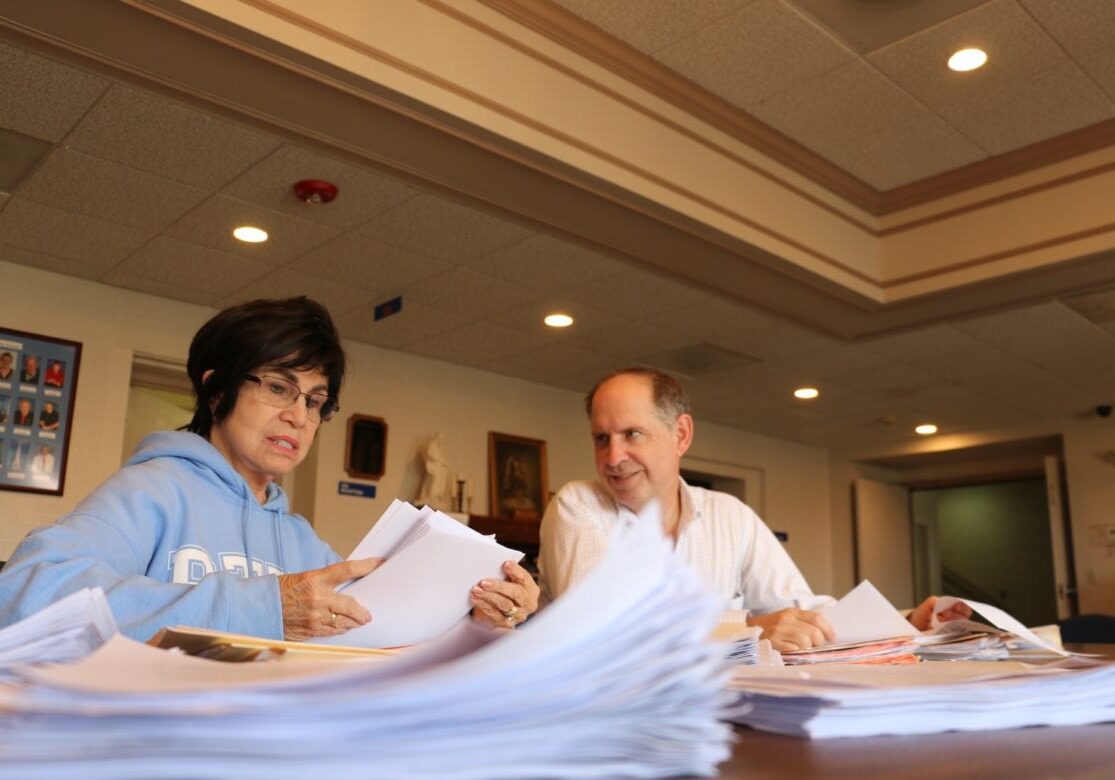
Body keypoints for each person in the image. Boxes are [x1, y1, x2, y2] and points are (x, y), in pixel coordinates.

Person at [0, 297, 538, 641]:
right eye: (279, 387)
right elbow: (24, 594)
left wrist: (484, 615)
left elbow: (380, 632)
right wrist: (255, 606)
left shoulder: (300, 540)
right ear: (217, 389)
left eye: (314, 401)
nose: (298, 416)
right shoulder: (153, 490)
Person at [538, 367, 965, 652]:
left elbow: (800, 608)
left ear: (680, 434)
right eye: (601, 438)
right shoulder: (578, 505)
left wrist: (906, 620)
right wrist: (750, 628)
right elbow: (599, 628)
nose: (613, 457)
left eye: (632, 434)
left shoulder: (730, 516)